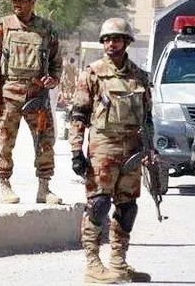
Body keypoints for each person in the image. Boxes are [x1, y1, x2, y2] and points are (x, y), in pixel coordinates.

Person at [68, 17, 153, 284]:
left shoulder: (139, 76)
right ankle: (93, 265)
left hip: (132, 150)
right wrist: (76, 150)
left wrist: (150, 149)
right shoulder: (92, 73)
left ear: (126, 42)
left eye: (116, 39)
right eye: (106, 40)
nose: (111, 44)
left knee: (127, 207)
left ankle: (118, 262)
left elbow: (147, 118)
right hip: (103, 148)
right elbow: (78, 114)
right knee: (99, 204)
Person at [0, 0, 63, 205]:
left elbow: (56, 61)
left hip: (37, 97)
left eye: (21, 1)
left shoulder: (46, 28)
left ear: (32, 3)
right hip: (9, 96)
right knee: (5, 143)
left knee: (45, 142)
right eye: (14, 1)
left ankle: (44, 188)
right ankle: (4, 185)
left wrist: (53, 79)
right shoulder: (3, 26)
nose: (16, 4)